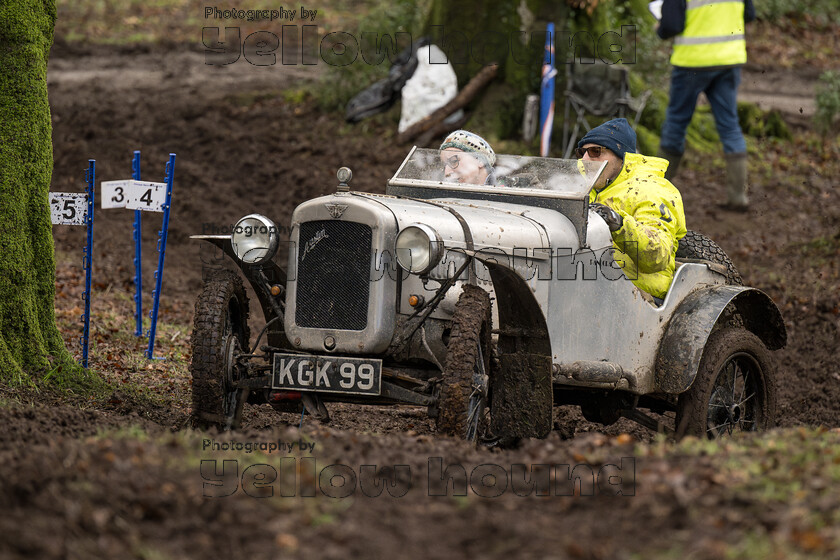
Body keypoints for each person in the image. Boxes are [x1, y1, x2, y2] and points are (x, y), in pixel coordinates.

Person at [656, 0, 756, 211]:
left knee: (676, 123)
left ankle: (656, 191)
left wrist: (659, 28)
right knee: (730, 125)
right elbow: (749, 14)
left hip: (692, 62)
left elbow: (671, 25)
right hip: (729, 59)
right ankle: (738, 197)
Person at [577, 118, 688, 301]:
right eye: (582, 152)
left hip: (641, 295)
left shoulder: (650, 190)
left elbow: (657, 256)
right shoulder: (588, 188)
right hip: (592, 285)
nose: (585, 159)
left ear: (622, 157)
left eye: (595, 151)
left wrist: (618, 224)